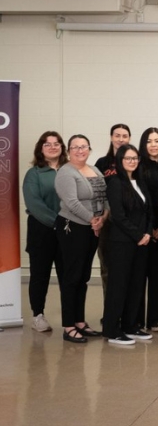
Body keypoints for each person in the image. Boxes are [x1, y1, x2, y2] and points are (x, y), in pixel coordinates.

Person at [55, 134, 108, 344]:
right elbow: (71, 202)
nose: (80, 150)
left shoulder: (95, 170)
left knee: (83, 277)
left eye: (83, 146)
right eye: (75, 147)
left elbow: (105, 197)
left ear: (89, 149)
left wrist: (102, 218)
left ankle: (79, 321)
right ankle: (68, 326)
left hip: (93, 228)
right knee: (72, 277)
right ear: (68, 150)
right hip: (73, 227)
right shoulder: (65, 172)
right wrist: (92, 220)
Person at [102, 144, 152, 346]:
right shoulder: (115, 183)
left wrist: (147, 233)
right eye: (128, 158)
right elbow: (118, 216)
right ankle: (112, 330)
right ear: (120, 161)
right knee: (118, 286)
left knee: (136, 285)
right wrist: (138, 235)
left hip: (142, 242)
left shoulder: (140, 182)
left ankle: (130, 326)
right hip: (122, 242)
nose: (132, 161)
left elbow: (149, 211)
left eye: (135, 158)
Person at [22, 131, 67, 332]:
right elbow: (34, 203)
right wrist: (58, 222)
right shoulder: (34, 173)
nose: (52, 147)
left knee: (68, 275)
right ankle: (38, 316)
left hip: (69, 230)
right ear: (41, 149)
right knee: (40, 275)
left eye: (56, 143)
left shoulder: (69, 170)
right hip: (42, 230)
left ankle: (70, 317)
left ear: (62, 147)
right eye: (47, 144)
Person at [136, 127, 158, 332]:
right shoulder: (138, 167)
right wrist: (150, 228)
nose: (153, 145)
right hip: (142, 229)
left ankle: (157, 319)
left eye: (157, 141)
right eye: (149, 141)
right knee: (139, 277)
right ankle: (136, 320)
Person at [95, 124, 131, 297]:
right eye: (117, 135)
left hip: (130, 220)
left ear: (129, 139)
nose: (121, 139)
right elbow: (96, 192)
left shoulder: (134, 161)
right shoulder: (102, 163)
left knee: (129, 268)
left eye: (124, 136)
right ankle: (110, 308)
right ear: (111, 137)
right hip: (107, 221)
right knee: (107, 267)